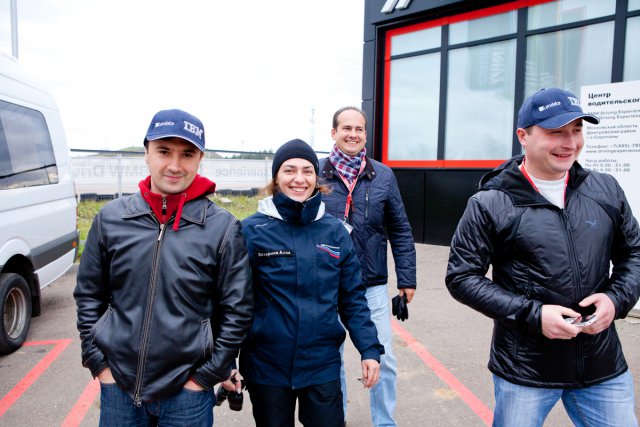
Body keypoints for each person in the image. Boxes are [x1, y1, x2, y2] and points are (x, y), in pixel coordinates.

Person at [446, 88, 640, 427]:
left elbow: (633, 253)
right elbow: (461, 277)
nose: (570, 143)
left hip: (600, 364)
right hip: (526, 369)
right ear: (523, 136)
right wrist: (534, 315)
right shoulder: (491, 202)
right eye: (556, 132)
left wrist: (616, 299)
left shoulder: (606, 189)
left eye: (576, 130)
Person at [74, 109, 253, 426]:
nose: (174, 165)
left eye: (187, 154)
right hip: (119, 388)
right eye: (164, 151)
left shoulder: (222, 228)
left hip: (188, 394)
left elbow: (237, 310)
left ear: (200, 159)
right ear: (146, 153)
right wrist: (99, 364)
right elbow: (88, 295)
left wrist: (205, 377)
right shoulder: (111, 219)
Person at [232, 138, 384, 427]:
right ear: (276, 178)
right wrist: (227, 361)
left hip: (321, 365)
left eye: (307, 171)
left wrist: (369, 350)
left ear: (317, 178)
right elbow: (234, 301)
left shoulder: (335, 232)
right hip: (266, 366)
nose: (299, 179)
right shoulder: (251, 231)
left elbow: (352, 298)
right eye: (289, 170)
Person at [319, 106, 417, 427]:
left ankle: (384, 422)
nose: (353, 134)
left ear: (365, 134)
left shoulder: (383, 175)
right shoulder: (315, 174)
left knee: (382, 357)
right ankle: (337, 420)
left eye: (359, 129)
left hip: (371, 284)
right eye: (346, 128)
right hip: (326, 284)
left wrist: (407, 278)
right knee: (331, 360)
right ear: (333, 133)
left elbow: (400, 228)